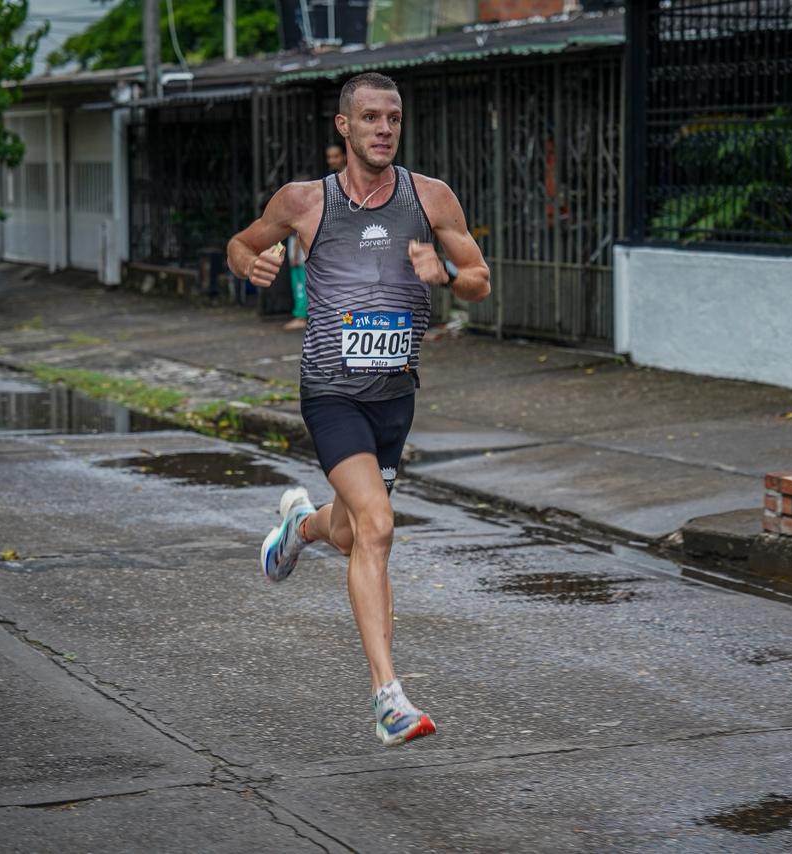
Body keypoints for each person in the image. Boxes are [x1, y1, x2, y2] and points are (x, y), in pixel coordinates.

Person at [227, 72, 490, 748]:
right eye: (369, 118)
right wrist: (249, 266)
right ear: (344, 127)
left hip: (394, 401)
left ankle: (298, 529)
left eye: (393, 118)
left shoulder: (430, 198)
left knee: (349, 533)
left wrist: (448, 278)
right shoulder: (304, 201)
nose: (383, 129)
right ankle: (387, 698)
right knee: (377, 526)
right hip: (332, 393)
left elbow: (481, 281)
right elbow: (243, 242)